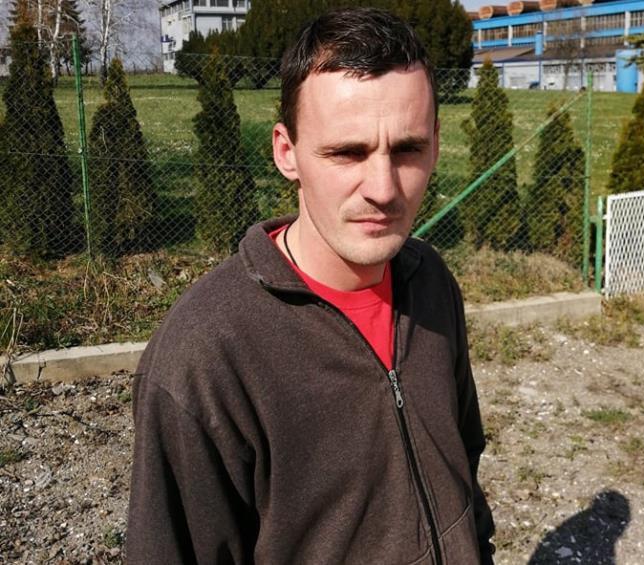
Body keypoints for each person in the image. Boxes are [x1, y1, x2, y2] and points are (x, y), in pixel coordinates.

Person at [127, 7, 495, 564]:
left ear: (436, 144)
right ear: (286, 152)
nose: (383, 188)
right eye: (347, 152)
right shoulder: (205, 355)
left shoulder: (432, 283)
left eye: (408, 149)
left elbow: (462, 461)